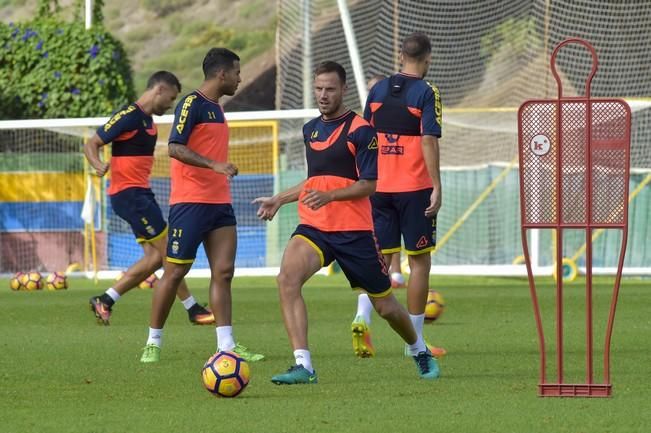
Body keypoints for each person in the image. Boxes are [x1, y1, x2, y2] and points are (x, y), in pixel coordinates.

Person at [253, 61, 439, 384]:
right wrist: (280, 199)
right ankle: (304, 365)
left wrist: (331, 196)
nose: (323, 95)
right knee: (287, 279)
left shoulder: (361, 130)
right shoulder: (309, 130)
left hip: (354, 232)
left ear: (343, 90)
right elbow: (315, 180)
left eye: (330, 89)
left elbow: (369, 184)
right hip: (314, 227)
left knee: (385, 308)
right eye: (319, 89)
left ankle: (418, 349)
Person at [139, 48, 263, 364]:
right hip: (190, 203)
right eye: (237, 72)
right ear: (221, 74)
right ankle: (153, 341)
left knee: (223, 272)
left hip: (220, 203)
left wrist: (218, 171)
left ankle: (227, 344)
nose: (240, 78)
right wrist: (214, 165)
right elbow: (175, 147)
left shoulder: (218, 109)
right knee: (175, 271)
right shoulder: (191, 104)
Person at [84, 71, 214, 327]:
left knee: (155, 259)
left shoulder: (149, 123)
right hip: (130, 196)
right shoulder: (128, 117)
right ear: (159, 90)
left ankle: (105, 300)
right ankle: (193, 309)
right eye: (171, 98)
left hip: (140, 195)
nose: (170, 104)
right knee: (169, 252)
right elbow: (92, 143)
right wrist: (97, 164)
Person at [352, 32, 446, 359]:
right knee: (419, 263)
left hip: (379, 187)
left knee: (379, 262)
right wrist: (437, 184)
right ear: (428, 58)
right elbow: (429, 140)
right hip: (414, 189)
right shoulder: (426, 92)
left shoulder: (377, 90)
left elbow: (364, 135)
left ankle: (361, 316)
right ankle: (415, 344)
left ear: (399, 55)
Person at [367, 74, 406, 290]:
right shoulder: (366, 119)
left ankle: (396, 273)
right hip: (377, 185)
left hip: (401, 183)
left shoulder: (396, 114)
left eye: (375, 88)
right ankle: (389, 276)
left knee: (392, 231)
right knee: (381, 235)